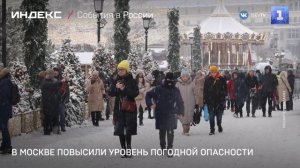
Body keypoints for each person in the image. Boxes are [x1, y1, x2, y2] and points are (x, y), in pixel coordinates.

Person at [146, 72, 184, 157]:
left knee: (170, 131)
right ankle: (163, 147)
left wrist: (181, 112)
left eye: (171, 80)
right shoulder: (158, 89)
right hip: (160, 113)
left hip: (172, 113)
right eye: (168, 80)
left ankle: (170, 148)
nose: (170, 82)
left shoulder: (175, 90)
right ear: (165, 79)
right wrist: (150, 104)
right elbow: (148, 95)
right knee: (162, 131)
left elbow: (180, 101)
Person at [109, 60, 139, 158]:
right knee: (120, 129)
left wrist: (123, 89)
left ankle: (129, 149)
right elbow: (111, 93)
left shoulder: (132, 80)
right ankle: (123, 149)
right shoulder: (116, 80)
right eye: (119, 70)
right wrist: (116, 88)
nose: (120, 71)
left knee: (128, 129)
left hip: (129, 108)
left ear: (126, 70)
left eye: (122, 70)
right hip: (119, 108)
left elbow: (135, 93)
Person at [204, 66, 227, 135]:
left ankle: (219, 125)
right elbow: (205, 90)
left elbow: (225, 89)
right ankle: (212, 129)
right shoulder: (207, 79)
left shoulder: (222, 79)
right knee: (211, 116)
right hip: (210, 101)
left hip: (220, 101)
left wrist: (222, 95)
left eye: (214, 72)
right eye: (212, 72)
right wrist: (205, 99)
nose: (213, 73)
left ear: (217, 72)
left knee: (219, 117)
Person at [41, 69, 64, 135]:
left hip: (54, 103)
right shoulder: (44, 82)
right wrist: (60, 82)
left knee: (55, 117)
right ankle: (46, 131)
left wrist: (59, 97)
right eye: (49, 74)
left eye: (50, 74)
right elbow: (51, 85)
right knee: (47, 117)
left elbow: (56, 90)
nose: (49, 75)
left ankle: (55, 130)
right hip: (47, 103)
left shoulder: (53, 81)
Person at [176, 68, 196, 136]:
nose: (185, 77)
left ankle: (187, 130)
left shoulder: (192, 84)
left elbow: (195, 93)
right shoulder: (178, 84)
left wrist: (197, 102)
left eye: (186, 76)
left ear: (188, 76)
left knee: (189, 117)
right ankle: (184, 130)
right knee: (183, 118)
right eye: (183, 76)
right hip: (181, 104)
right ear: (181, 76)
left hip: (191, 103)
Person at [0, 64, 13, 154]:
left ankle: (7, 147)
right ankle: (5, 145)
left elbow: (3, 95)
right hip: (4, 107)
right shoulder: (6, 81)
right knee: (3, 127)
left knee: (3, 127)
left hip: (3, 107)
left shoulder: (5, 82)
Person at [53, 66, 70, 132]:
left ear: (58, 72)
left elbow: (67, 90)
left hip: (61, 100)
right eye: (54, 71)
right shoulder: (52, 80)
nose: (55, 72)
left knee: (62, 114)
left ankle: (63, 126)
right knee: (55, 115)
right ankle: (56, 127)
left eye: (56, 71)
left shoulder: (63, 80)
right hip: (54, 100)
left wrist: (66, 99)